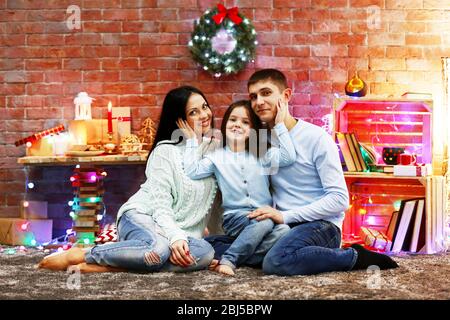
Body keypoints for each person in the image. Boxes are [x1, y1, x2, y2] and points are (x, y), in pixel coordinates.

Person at [207, 69, 399, 275]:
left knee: (276, 262)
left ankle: (353, 256)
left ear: (286, 96)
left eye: (266, 93)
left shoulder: (316, 138)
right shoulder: (260, 140)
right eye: (253, 96)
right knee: (208, 245)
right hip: (281, 227)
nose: (258, 102)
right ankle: (261, 252)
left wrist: (285, 215)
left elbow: (340, 199)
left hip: (321, 226)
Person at [38, 86, 220, 273]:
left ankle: (117, 266)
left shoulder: (214, 151)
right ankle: (84, 254)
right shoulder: (166, 151)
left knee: (205, 252)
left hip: (176, 232)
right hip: (143, 216)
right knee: (157, 251)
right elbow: (160, 204)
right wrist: (175, 237)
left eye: (205, 107)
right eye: (193, 112)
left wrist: (181, 236)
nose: (204, 115)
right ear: (179, 120)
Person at [177, 100, 293, 276]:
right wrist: (193, 141)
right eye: (233, 120)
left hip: (263, 216)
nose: (238, 125)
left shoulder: (261, 154)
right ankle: (229, 259)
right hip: (235, 218)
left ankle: (239, 256)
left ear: (253, 131)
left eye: (245, 122)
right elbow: (192, 171)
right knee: (267, 221)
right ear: (225, 124)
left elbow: (288, 157)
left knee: (284, 230)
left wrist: (279, 124)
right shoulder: (216, 157)